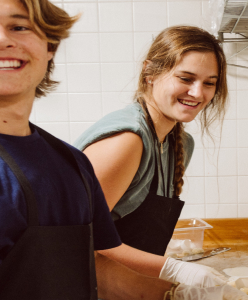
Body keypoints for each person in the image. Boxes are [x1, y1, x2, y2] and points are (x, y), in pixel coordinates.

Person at [0, 0, 247, 299]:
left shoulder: (68, 164)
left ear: (49, 47)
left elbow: (99, 274)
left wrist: (178, 294)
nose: (0, 39)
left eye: (20, 26)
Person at [74, 25, 228, 276]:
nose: (198, 93)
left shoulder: (179, 143)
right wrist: (174, 271)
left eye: (209, 83)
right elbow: (81, 238)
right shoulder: (127, 141)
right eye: (185, 78)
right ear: (150, 73)